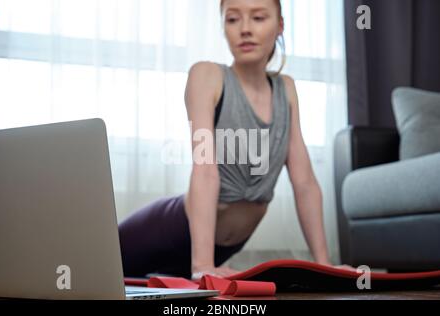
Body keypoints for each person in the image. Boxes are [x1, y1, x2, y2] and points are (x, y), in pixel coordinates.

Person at [118, 0, 353, 281]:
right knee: (92, 267)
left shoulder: (286, 89)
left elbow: (304, 183)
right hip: (168, 231)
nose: (244, 29)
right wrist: (203, 265)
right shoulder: (206, 76)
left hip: (216, 250)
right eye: (232, 20)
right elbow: (205, 170)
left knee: (144, 289)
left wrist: (324, 266)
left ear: (280, 26)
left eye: (258, 18)